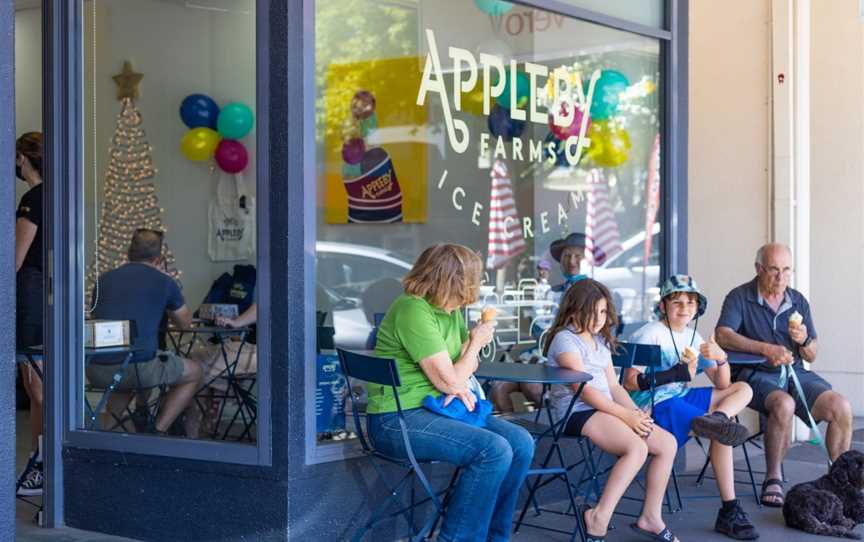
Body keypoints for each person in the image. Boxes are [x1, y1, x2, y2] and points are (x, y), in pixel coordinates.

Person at [368, 244, 535, 542]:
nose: (475, 287)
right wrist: (476, 342)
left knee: (521, 442)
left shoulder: (450, 311)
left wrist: (459, 372)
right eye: (472, 279)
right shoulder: (412, 309)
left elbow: (463, 373)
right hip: (397, 419)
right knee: (493, 450)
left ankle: (495, 537)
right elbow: (452, 379)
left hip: (440, 409)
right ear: (454, 280)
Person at [716, 243, 853, 508]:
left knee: (841, 407)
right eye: (774, 270)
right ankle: (773, 477)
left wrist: (803, 341)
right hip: (754, 375)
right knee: (784, 404)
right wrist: (765, 348)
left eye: (787, 270)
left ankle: (839, 481)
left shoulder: (797, 300)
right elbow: (723, 335)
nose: (781, 278)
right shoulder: (739, 297)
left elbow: (812, 354)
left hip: (795, 373)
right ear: (759, 269)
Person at [544, 279, 680, 542]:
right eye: (592, 313)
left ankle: (650, 518)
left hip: (606, 410)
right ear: (574, 310)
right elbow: (583, 390)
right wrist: (624, 416)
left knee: (667, 443)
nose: (598, 319)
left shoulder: (599, 340)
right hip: (576, 411)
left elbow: (614, 387)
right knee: (636, 448)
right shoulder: (565, 340)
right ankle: (598, 518)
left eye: (603, 312)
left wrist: (635, 413)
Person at [624, 275, 758, 540]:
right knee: (721, 432)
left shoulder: (693, 337)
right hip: (656, 404)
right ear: (663, 305)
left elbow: (723, 383)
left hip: (682, 399)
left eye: (691, 302)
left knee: (743, 389)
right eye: (677, 301)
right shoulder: (649, 333)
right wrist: (674, 374)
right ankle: (729, 510)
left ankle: (718, 418)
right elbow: (629, 382)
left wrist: (721, 358)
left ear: (698, 308)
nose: (684, 307)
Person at [88, 229, 203, 436]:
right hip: (135, 367)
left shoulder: (103, 280)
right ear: (159, 258)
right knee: (194, 371)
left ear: (127, 253)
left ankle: (120, 438)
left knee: (131, 375)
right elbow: (185, 324)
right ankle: (157, 432)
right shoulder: (164, 282)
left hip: (96, 368)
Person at [15, 132, 45, 496]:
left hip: (32, 297)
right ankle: (40, 462)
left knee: (36, 385)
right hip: (44, 296)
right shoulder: (56, 194)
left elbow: (15, 259)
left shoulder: (32, 198)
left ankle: (44, 465)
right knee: (35, 384)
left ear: (22, 158)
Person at [188, 303, 258, 438]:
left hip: (260, 352)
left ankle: (194, 427)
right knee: (208, 359)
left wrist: (236, 322)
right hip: (253, 349)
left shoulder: (269, 288)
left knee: (200, 363)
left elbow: (262, 304)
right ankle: (207, 424)